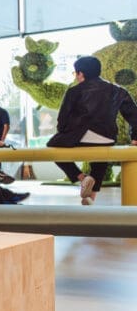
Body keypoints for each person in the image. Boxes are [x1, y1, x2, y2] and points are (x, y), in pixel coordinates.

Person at [47, 56, 137, 205]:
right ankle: (90, 197)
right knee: (100, 161)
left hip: (78, 136)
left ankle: (82, 178)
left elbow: (62, 121)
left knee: (52, 147)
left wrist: (64, 132)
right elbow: (134, 115)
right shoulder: (118, 90)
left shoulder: (74, 91)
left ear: (80, 73)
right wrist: (135, 137)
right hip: (107, 138)